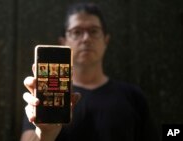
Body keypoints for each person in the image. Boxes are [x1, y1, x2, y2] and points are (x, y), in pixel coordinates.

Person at [21, 2, 159, 141]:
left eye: (94, 31)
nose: (86, 39)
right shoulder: (42, 98)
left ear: (106, 40)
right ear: (63, 42)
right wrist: (45, 133)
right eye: (76, 32)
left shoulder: (133, 96)